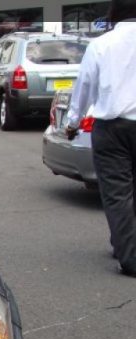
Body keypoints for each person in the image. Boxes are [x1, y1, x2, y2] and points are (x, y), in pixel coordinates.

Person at [66, 0, 136, 277]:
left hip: (112, 128)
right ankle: (123, 245)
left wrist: (73, 122)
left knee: (118, 193)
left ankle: (128, 257)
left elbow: (84, 86)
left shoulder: (101, 45)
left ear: (114, 13)